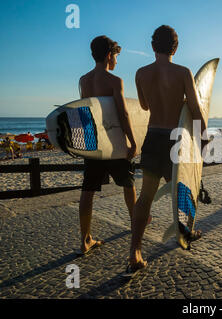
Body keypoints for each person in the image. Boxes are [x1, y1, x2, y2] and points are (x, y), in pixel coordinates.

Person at [128, 25, 206, 273]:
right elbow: (195, 109)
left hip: (152, 138)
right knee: (184, 189)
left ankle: (135, 252)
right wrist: (203, 138)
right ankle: (186, 232)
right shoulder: (184, 72)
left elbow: (144, 105)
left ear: (152, 46)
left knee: (145, 198)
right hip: (176, 140)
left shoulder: (141, 73)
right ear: (176, 47)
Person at [77, 35, 138, 255]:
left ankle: (85, 240)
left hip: (93, 144)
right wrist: (132, 140)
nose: (116, 62)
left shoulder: (84, 80)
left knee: (88, 190)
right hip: (113, 143)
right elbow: (122, 113)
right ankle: (135, 224)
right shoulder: (115, 81)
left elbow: (86, 113)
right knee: (128, 184)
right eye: (116, 57)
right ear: (109, 56)